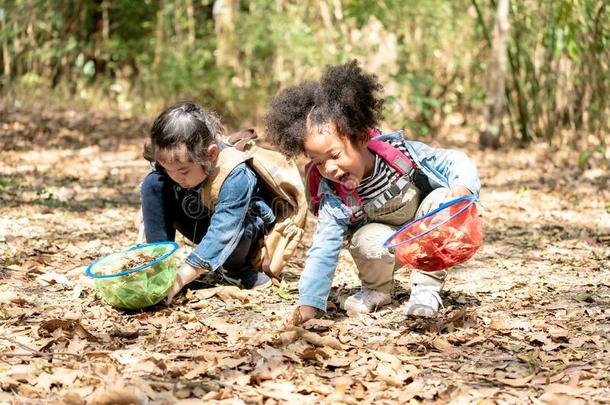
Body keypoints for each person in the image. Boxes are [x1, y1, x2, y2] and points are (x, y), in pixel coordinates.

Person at [264, 61, 480, 324]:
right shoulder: (336, 195)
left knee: (441, 200)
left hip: (423, 226)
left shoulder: (400, 156)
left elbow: (455, 161)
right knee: (365, 240)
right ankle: (378, 289)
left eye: (335, 155)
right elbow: (323, 249)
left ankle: (426, 288)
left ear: (361, 137)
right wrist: (309, 304)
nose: (329, 168)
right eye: (318, 162)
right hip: (388, 243)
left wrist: (460, 191)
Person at [140, 101, 276, 304]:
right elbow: (155, 185)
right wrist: (147, 209)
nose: (176, 177)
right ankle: (160, 266)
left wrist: (181, 278)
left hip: (240, 232)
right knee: (152, 183)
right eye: (168, 169)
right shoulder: (174, 163)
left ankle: (236, 268)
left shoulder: (236, 174)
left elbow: (223, 232)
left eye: (183, 171)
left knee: (239, 231)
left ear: (210, 154)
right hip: (198, 219)